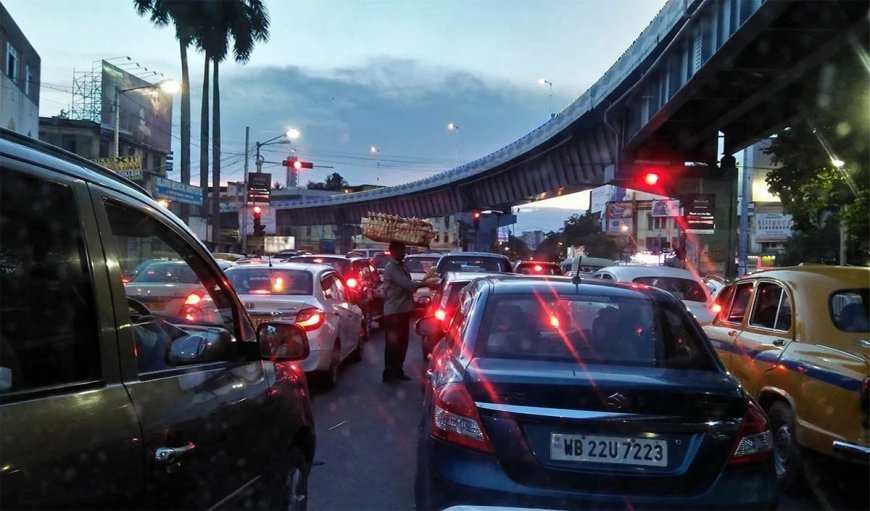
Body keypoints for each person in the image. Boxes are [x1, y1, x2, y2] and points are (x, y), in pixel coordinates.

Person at [381, 241, 438, 383]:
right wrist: (426, 284)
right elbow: (407, 284)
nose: (404, 253)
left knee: (402, 343)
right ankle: (389, 374)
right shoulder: (391, 268)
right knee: (392, 345)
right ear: (393, 251)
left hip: (403, 310)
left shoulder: (401, 266)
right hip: (393, 311)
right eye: (402, 250)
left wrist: (424, 282)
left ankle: (398, 371)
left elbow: (408, 283)